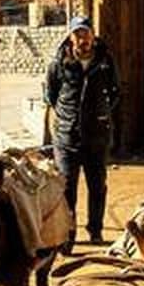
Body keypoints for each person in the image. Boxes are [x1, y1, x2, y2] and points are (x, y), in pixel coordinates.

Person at [43, 15, 120, 242]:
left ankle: (95, 231)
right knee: (67, 190)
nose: (82, 39)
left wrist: (100, 114)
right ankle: (68, 235)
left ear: (93, 36)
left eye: (85, 33)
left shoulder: (105, 62)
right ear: (70, 37)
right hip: (67, 138)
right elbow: (51, 95)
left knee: (97, 186)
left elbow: (115, 92)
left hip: (97, 137)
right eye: (77, 34)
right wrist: (67, 120)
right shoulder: (58, 64)